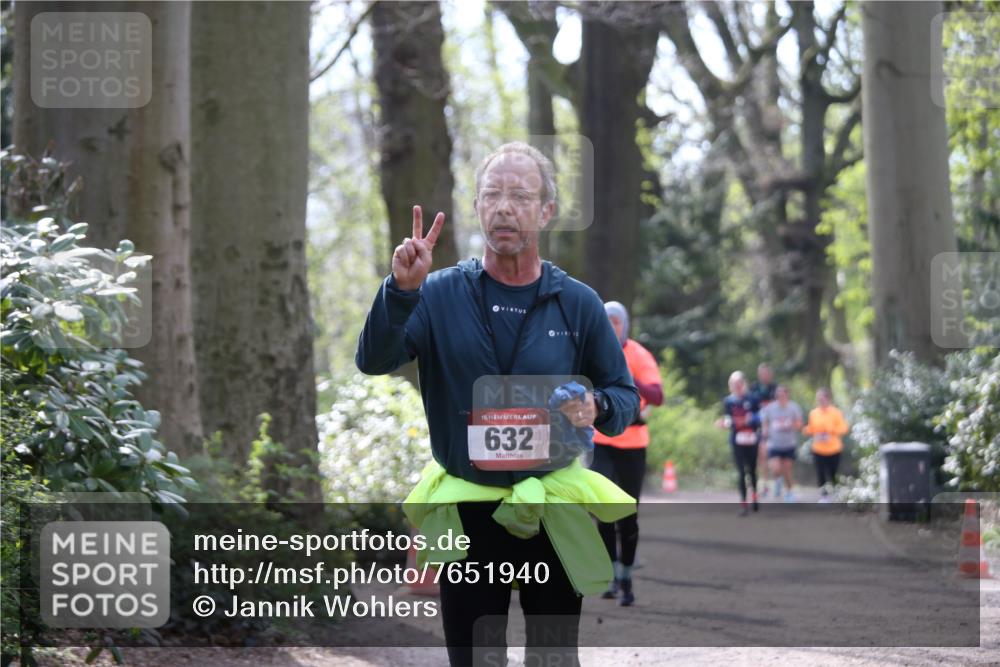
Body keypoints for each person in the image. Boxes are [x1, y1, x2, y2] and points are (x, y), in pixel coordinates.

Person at [356, 142, 640, 667]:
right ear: (478, 207)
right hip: (469, 513)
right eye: (492, 194)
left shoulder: (577, 302)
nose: (504, 206)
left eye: (519, 195)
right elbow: (374, 360)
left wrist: (596, 406)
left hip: (552, 508)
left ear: (547, 210)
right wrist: (400, 291)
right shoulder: (436, 294)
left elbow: (625, 396)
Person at [590, 301, 663, 607]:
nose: (612, 326)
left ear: (625, 325)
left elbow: (658, 396)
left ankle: (626, 575)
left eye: (617, 322)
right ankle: (608, 573)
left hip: (633, 443)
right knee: (605, 509)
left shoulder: (638, 354)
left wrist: (629, 381)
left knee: (628, 515)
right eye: (607, 321)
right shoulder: (593, 350)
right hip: (602, 440)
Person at [717, 371, 761, 516]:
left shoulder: (753, 399)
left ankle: (754, 498)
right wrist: (724, 423)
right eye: (734, 384)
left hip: (752, 439)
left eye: (739, 383)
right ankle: (743, 503)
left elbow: (760, 417)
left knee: (752, 470)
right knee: (741, 472)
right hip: (737, 441)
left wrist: (750, 419)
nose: (737, 386)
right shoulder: (728, 401)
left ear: (744, 384)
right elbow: (728, 419)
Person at [802, 388, 850, 502]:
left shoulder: (836, 412)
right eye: (818, 398)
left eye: (822, 398)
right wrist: (807, 430)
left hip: (834, 449)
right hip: (818, 448)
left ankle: (836, 493)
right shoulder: (813, 413)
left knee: (833, 472)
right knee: (820, 473)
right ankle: (824, 495)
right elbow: (811, 428)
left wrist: (831, 430)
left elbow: (844, 428)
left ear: (828, 399)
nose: (820, 400)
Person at [760, 385, 803, 502]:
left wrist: (788, 424)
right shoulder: (770, 408)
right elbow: (765, 422)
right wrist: (765, 433)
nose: (780, 397)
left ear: (787, 395)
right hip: (774, 443)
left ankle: (789, 492)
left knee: (787, 470)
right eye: (778, 395)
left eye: (783, 394)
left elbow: (799, 425)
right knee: (775, 469)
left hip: (789, 444)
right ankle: (778, 481)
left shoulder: (794, 407)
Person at [750, 363, 778, 496]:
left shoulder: (776, 389)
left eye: (767, 373)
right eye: (762, 373)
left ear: (770, 375)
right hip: (760, 427)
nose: (764, 376)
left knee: (776, 458)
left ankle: (778, 480)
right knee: (762, 456)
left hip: (776, 428)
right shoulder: (754, 388)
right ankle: (765, 484)